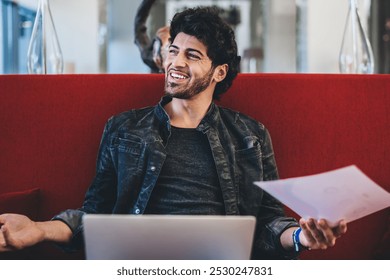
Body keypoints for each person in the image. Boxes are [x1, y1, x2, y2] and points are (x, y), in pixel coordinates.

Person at [0, 7, 347, 259]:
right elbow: (94, 216)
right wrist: (39, 229)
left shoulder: (250, 136)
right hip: (137, 267)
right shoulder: (123, 129)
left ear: (219, 72)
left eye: (192, 55)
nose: (175, 62)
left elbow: (270, 223)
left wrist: (302, 236)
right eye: (173, 50)